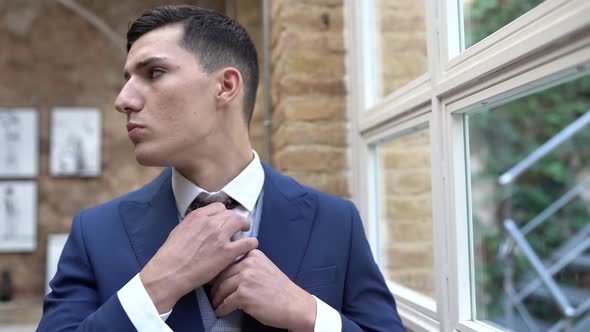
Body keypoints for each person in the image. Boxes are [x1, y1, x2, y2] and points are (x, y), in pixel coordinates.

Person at [38, 5, 405, 332]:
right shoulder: (95, 232)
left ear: (226, 86)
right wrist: (153, 290)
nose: (123, 100)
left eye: (153, 73)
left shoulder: (335, 221)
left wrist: (308, 314)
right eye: (127, 79)